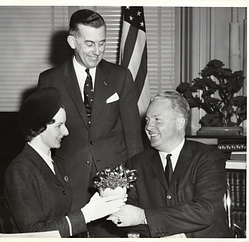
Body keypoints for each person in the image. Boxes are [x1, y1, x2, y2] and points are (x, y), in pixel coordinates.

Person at [37, 9, 144, 237]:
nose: (97, 52)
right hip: (68, 182)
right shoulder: (50, 80)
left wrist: (134, 185)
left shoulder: (121, 76)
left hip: (115, 184)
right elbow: (42, 141)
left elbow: (133, 136)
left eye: (102, 43)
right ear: (72, 41)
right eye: (89, 44)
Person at [108, 91, 233, 238]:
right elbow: (124, 215)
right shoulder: (137, 163)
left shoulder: (208, 157)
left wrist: (144, 217)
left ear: (180, 123)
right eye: (147, 120)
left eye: (157, 120)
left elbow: (205, 210)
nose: (149, 127)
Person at [3, 87, 125, 238]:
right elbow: (34, 234)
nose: (66, 132)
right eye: (59, 126)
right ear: (39, 128)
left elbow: (62, 215)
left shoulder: (57, 164)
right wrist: (86, 215)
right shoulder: (20, 170)